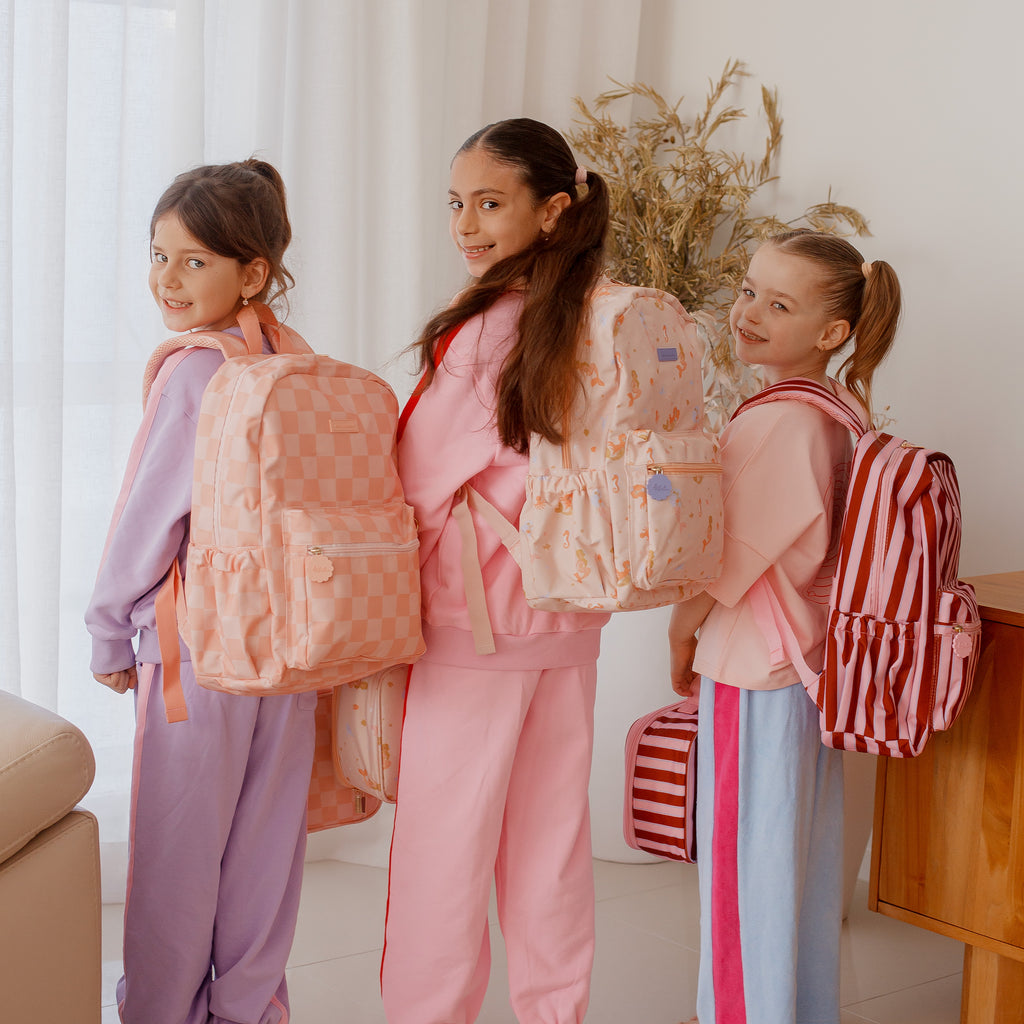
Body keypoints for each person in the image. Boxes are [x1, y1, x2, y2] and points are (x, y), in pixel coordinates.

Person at [380, 118, 611, 1024]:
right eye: (456, 204)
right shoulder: (600, 314)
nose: (465, 225)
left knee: (443, 854)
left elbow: (419, 482)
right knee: (550, 848)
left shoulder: (485, 327)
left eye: (488, 203)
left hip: (472, 624)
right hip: (570, 613)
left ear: (552, 210)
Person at [85, 159, 314, 1024]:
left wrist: (110, 631)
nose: (167, 280)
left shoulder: (194, 371)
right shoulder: (297, 359)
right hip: (292, 642)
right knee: (266, 849)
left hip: (199, 647)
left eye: (193, 261)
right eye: (159, 256)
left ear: (251, 273)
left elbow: (147, 518)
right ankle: (250, 1010)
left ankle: (159, 1012)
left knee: (178, 851)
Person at [668, 229, 901, 1024]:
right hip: (810, 665)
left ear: (831, 332)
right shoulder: (841, 412)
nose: (749, 313)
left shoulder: (779, 423)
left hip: (753, 668)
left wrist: (681, 634)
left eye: (779, 304)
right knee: (798, 866)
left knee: (744, 872)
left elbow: (725, 558)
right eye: (748, 292)